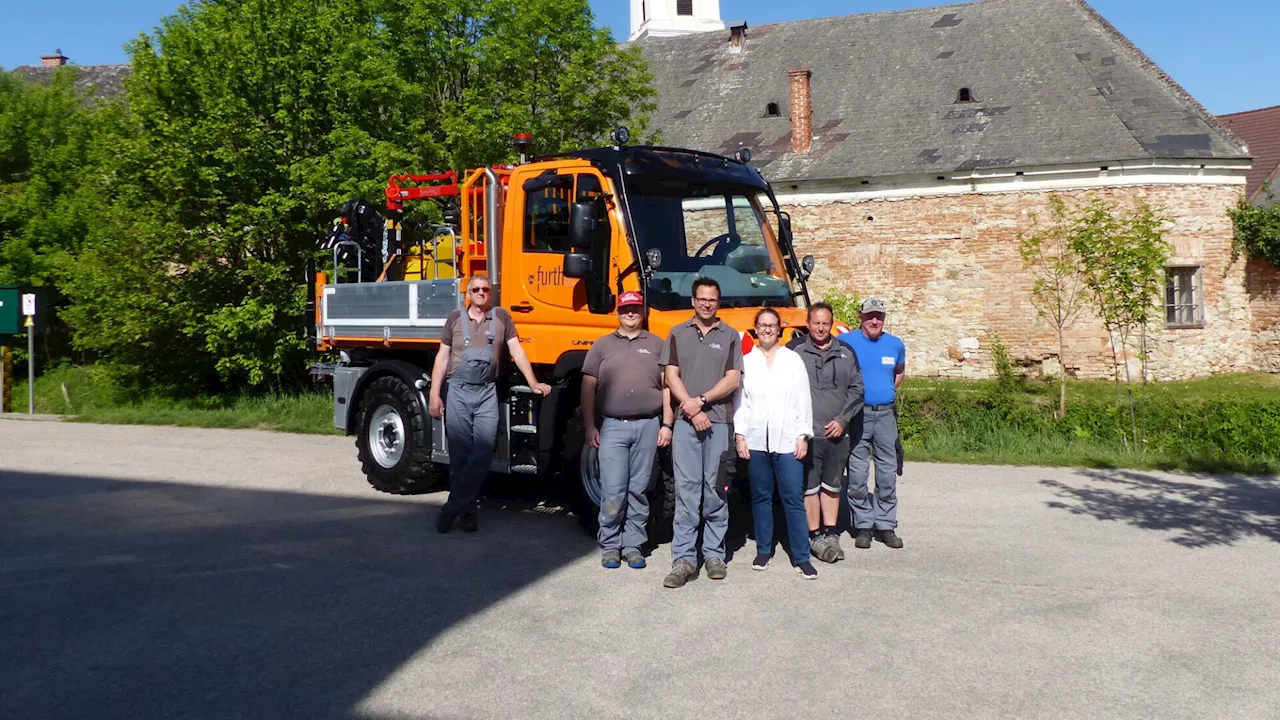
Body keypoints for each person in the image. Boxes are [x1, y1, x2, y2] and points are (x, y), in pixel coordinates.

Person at [428, 274, 551, 533]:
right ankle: (467, 513)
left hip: (486, 393)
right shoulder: (454, 319)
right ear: (468, 293)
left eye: (485, 289)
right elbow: (442, 357)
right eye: (476, 289)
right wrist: (434, 394)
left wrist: (533, 383)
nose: (481, 292)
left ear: (490, 293)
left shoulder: (501, 317)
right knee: (460, 455)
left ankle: (451, 508)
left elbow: (516, 351)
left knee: (484, 451)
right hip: (458, 391)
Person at [660, 277, 743, 588]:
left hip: (719, 423)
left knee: (716, 490)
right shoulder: (677, 333)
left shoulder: (730, 335)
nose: (707, 304)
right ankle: (683, 559)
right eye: (702, 299)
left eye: (713, 299)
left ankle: (713, 555)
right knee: (687, 491)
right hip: (685, 425)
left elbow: (733, 379)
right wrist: (691, 409)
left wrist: (702, 401)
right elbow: (670, 375)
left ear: (717, 303)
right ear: (693, 301)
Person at [581, 291, 674, 570]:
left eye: (635, 309)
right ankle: (610, 545)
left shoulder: (657, 344)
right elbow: (588, 388)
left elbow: (668, 387)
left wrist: (667, 423)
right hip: (613, 426)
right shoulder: (602, 345)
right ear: (617, 312)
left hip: (648, 425)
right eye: (625, 309)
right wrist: (589, 426)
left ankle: (633, 545)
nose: (630, 313)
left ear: (642, 312)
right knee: (613, 488)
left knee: (639, 489)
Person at [734, 308, 816, 578]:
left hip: (788, 439)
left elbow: (803, 399)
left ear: (779, 329)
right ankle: (764, 549)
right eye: (763, 325)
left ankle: (801, 556)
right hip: (757, 440)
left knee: (792, 497)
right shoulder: (747, 362)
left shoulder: (792, 360)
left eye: (772, 325)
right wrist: (740, 435)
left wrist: (803, 434)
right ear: (755, 329)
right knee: (761, 497)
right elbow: (741, 403)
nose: (767, 329)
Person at [791, 303, 864, 563]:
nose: (820, 328)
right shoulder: (795, 351)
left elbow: (858, 389)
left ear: (830, 324)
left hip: (837, 433)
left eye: (825, 323)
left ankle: (831, 533)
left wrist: (843, 420)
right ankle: (815, 535)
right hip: (808, 434)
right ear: (808, 325)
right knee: (809, 488)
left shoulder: (846, 351)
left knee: (832, 486)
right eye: (815, 323)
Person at [837, 298, 906, 549]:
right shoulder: (847, 342)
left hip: (886, 416)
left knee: (887, 472)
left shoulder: (895, 344)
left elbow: (899, 372)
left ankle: (885, 525)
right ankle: (863, 525)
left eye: (879, 316)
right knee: (857, 474)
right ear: (861, 317)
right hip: (858, 415)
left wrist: (884, 391)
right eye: (869, 316)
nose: (875, 321)